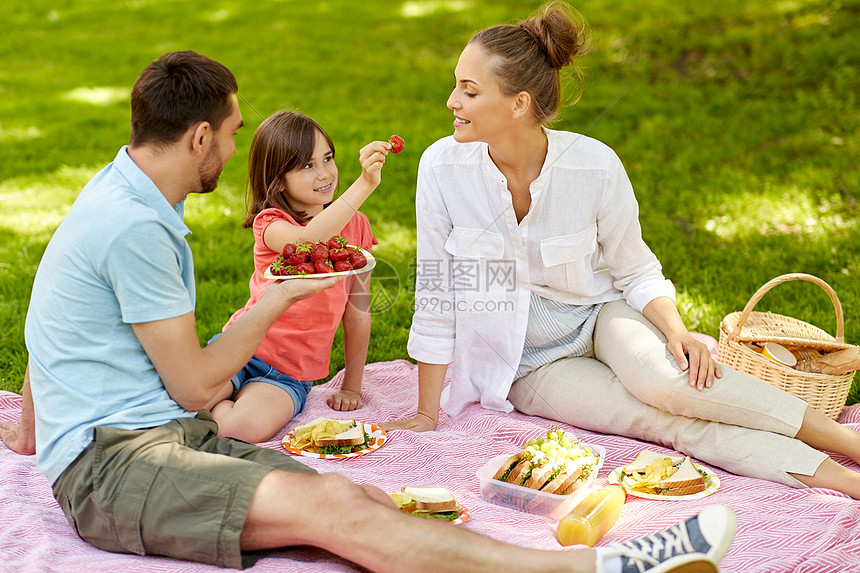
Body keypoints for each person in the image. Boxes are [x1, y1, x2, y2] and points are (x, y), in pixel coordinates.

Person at [0, 49, 738, 573]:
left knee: (343, 493)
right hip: (120, 469)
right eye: (228, 134)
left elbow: (48, 316)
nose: (230, 147)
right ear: (199, 137)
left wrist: (34, 431)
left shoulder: (111, 192)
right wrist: (277, 300)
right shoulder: (139, 229)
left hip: (151, 442)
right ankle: (599, 568)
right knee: (340, 515)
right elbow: (197, 385)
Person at [383, 0, 860, 500]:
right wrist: (425, 412)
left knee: (671, 387)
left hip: (600, 314)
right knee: (662, 422)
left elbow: (635, 268)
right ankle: (846, 480)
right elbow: (436, 291)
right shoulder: (442, 168)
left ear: (518, 103)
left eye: (469, 89)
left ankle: (849, 442)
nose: (451, 101)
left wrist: (678, 332)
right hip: (526, 363)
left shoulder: (593, 166)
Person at [205, 111, 383, 443]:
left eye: (327, 158)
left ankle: (216, 411)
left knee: (238, 430)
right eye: (306, 166)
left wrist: (352, 387)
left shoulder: (356, 227)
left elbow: (358, 312)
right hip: (239, 347)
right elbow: (308, 241)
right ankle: (213, 404)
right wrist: (365, 184)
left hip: (289, 374)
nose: (325, 173)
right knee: (183, 399)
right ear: (277, 178)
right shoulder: (271, 223)